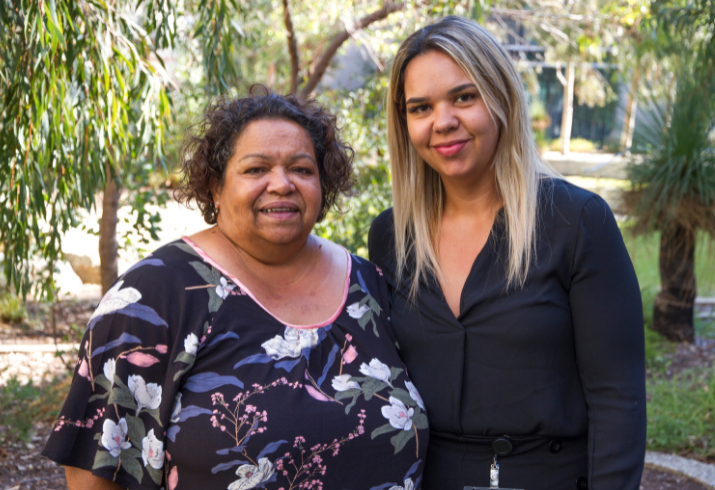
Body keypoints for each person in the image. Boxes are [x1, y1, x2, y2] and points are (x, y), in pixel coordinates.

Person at [43, 87, 428, 490]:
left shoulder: (369, 285)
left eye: (301, 169)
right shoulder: (152, 299)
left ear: (323, 183)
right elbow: (95, 476)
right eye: (256, 169)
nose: (281, 184)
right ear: (214, 186)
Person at [368, 16, 646, 490]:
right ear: (405, 123)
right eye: (420, 107)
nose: (443, 122)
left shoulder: (576, 222)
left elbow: (617, 399)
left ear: (501, 99)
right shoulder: (392, 236)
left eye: (464, 96)